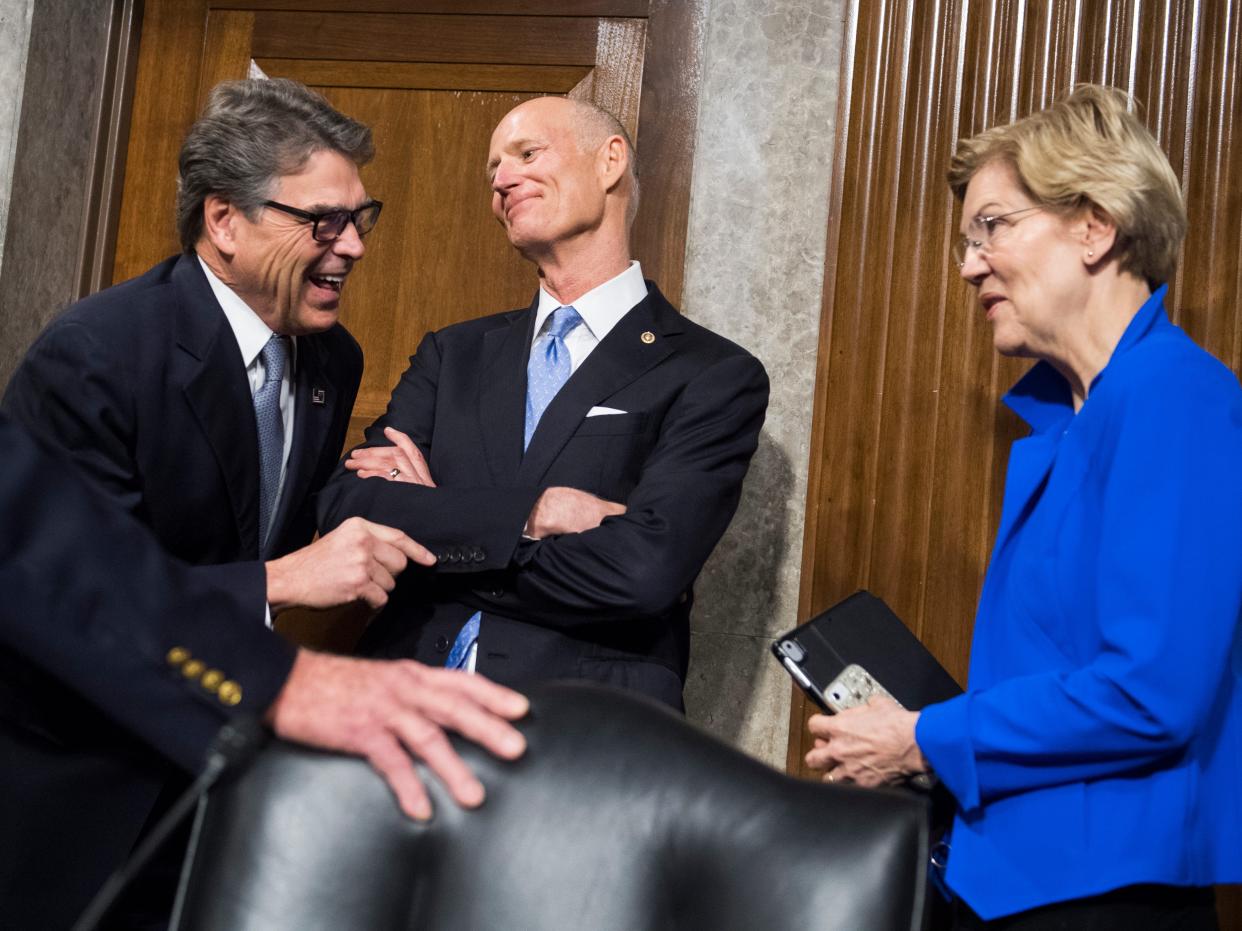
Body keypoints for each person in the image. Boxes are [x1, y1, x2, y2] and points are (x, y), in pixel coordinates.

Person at [805, 85, 1241, 929]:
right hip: (1005, 882)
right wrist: (925, 747)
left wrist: (922, 736)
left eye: (992, 227)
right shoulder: (1069, 422)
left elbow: (1152, 692)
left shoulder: (1175, 397)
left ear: (1094, 225)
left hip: (1102, 898)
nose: (969, 264)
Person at [1, 78, 428, 927]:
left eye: (360, 217)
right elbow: (77, 591)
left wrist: (364, 485)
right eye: (324, 221)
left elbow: (255, 513)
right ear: (224, 221)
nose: (353, 247)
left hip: (222, 794)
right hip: (79, 802)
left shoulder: (333, 362)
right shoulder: (98, 355)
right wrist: (276, 581)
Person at [319, 97, 769, 710]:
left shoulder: (713, 374)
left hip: (582, 734)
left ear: (610, 161)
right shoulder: (454, 354)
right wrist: (534, 512)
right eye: (493, 171)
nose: (502, 179)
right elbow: (349, 505)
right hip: (395, 710)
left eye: (527, 154)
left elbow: (643, 573)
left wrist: (437, 525)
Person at [0, 412, 529, 929]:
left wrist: (435, 511)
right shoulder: (97, 348)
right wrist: (280, 676)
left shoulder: (332, 363)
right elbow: (33, 537)